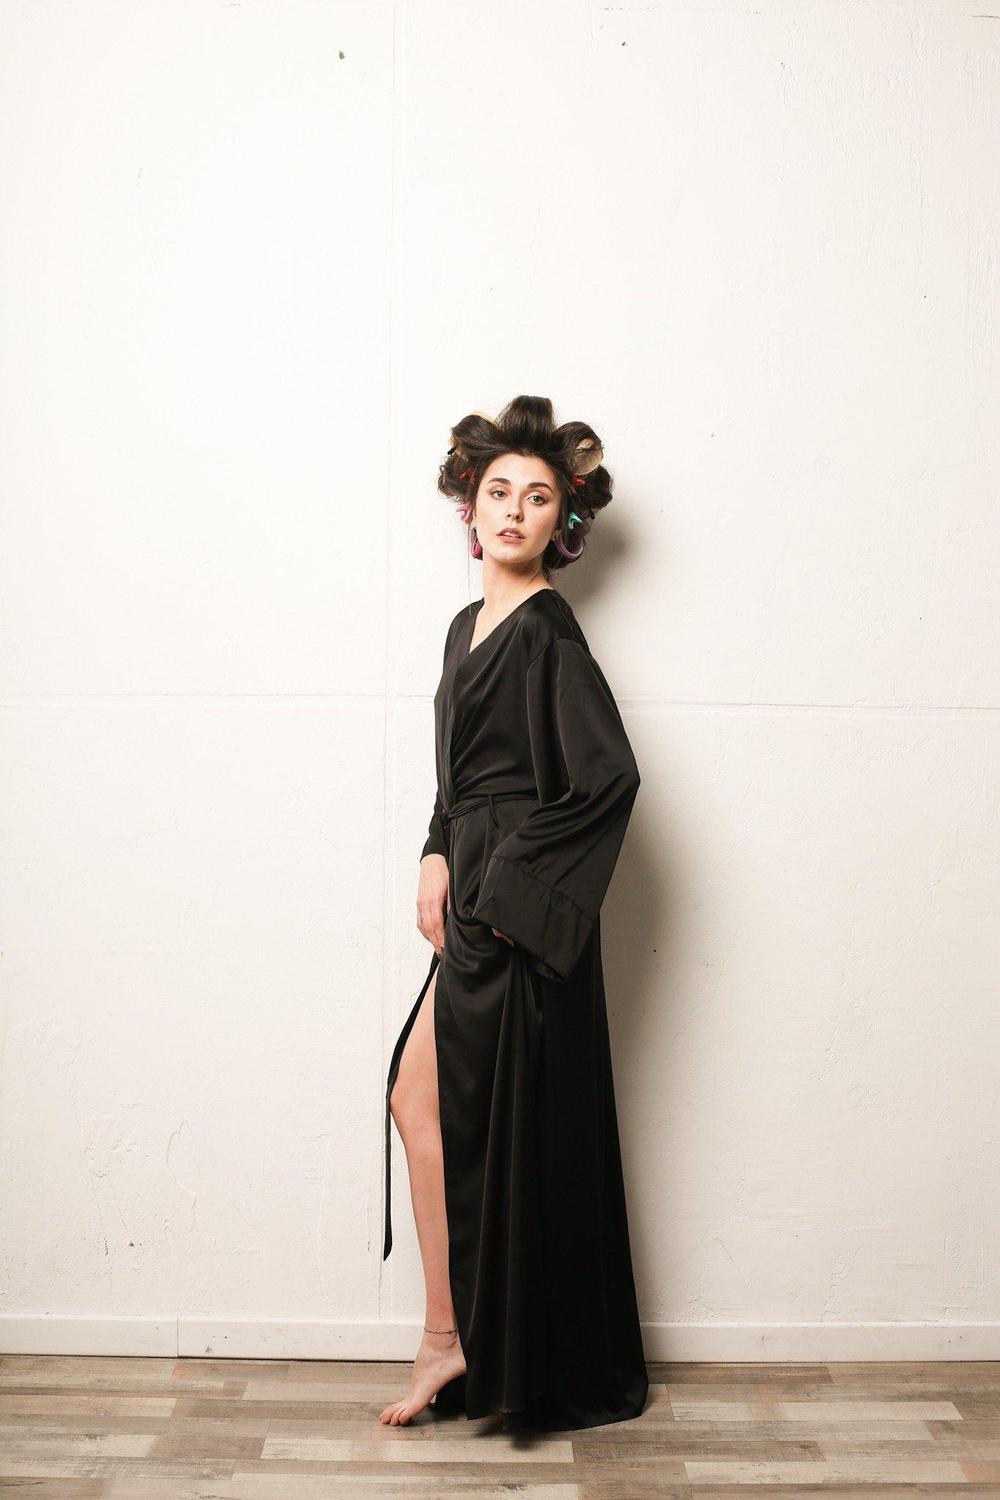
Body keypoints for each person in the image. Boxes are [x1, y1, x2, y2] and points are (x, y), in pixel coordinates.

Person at [380, 395, 648, 1431]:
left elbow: (606, 778)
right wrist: (434, 849)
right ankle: (450, 1338)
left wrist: (500, 888)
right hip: (473, 890)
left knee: (456, 1108)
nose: (514, 510)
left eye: (537, 498)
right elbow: (457, 778)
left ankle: (460, 1344)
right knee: (420, 1100)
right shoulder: (465, 629)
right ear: (471, 506)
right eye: (499, 491)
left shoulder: (546, 631)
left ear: (560, 523)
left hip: (513, 913)